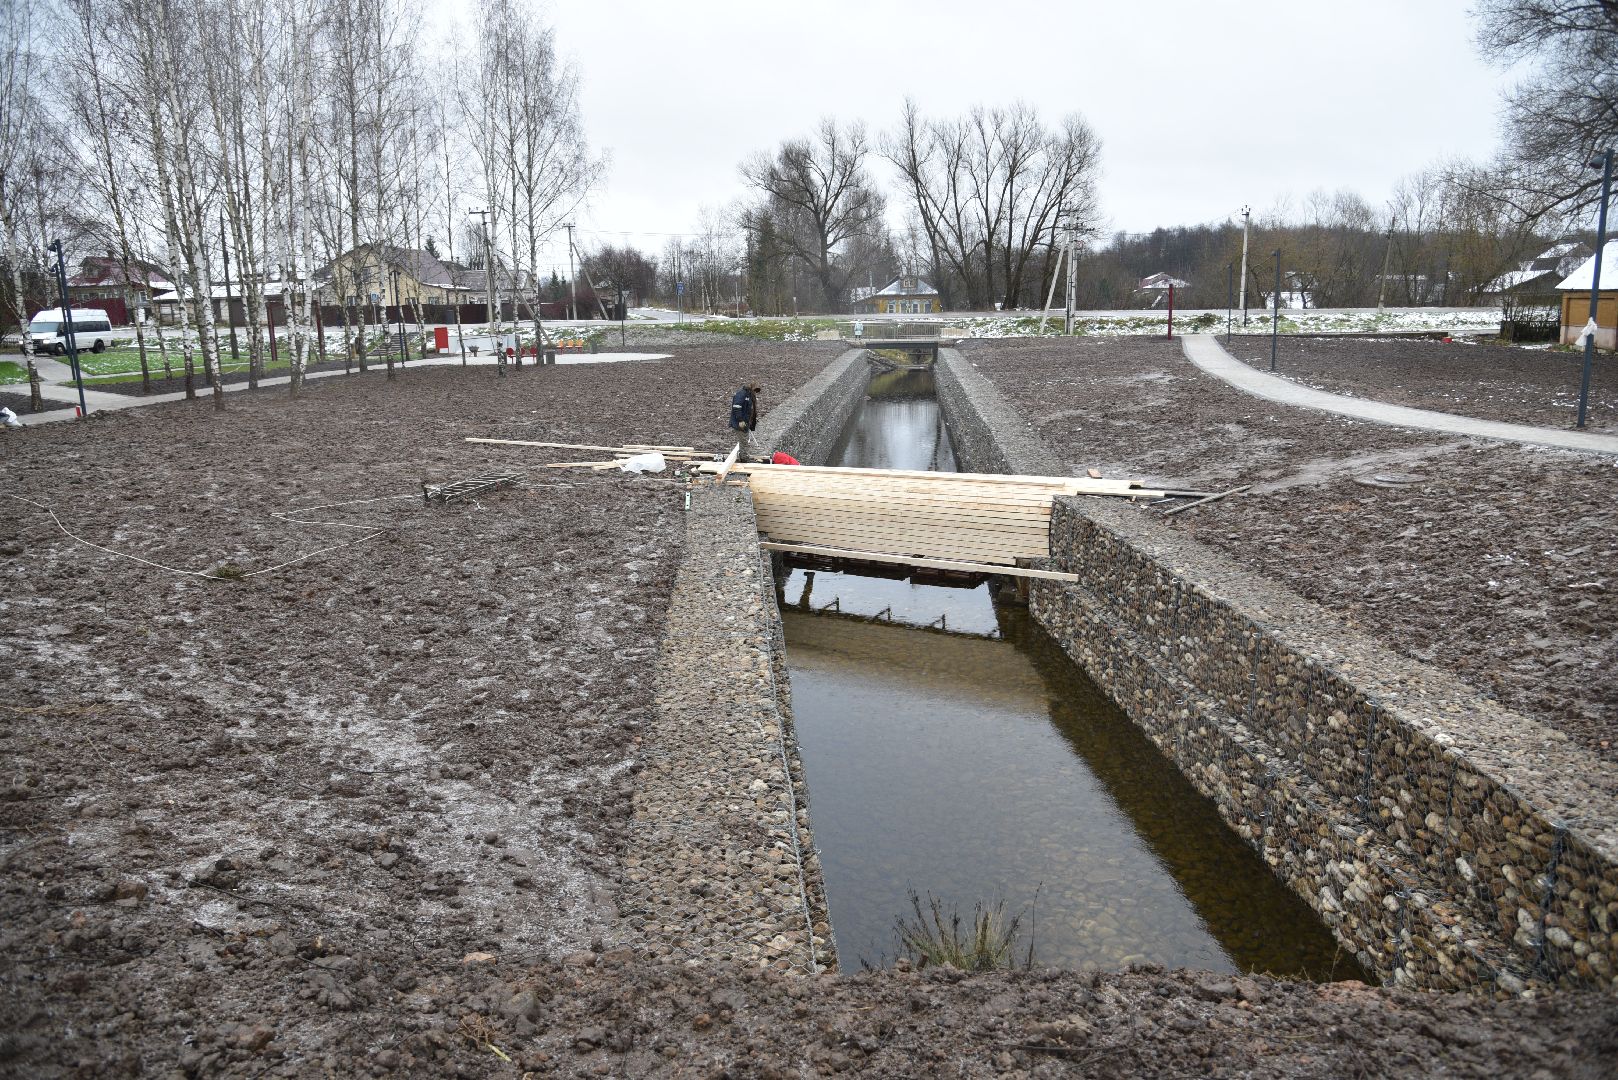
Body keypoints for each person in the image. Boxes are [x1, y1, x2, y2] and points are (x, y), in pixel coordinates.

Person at [729, 383, 760, 451]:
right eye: (754, 391)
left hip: (746, 421)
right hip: (740, 422)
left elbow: (750, 409)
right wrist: (740, 420)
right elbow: (736, 407)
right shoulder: (742, 394)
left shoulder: (750, 396)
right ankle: (744, 458)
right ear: (751, 388)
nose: (755, 393)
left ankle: (743, 456)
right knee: (744, 442)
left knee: (744, 440)